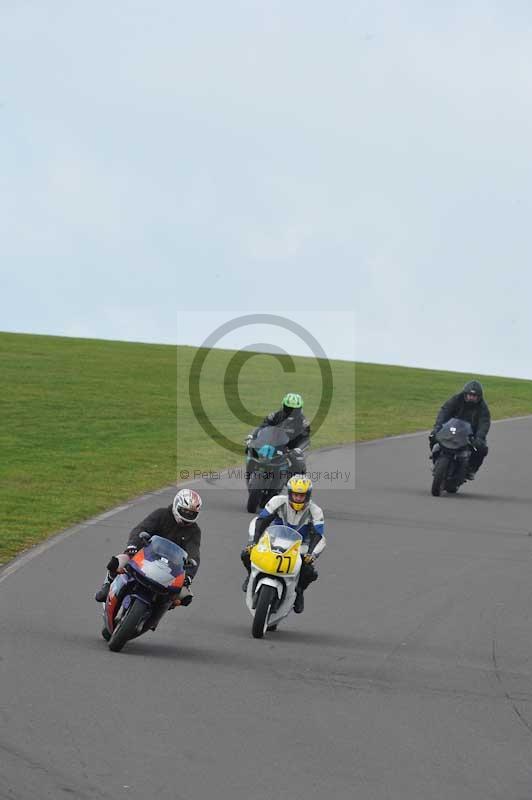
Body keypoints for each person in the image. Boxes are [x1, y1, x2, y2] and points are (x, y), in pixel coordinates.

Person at [94, 488, 202, 605]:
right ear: (176, 505)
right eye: (185, 511)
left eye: (192, 514)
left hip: (171, 570)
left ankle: (155, 617)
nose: (188, 515)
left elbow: (194, 553)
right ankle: (107, 586)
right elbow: (141, 529)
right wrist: (133, 546)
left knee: (185, 596)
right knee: (119, 561)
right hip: (145, 556)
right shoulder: (161, 514)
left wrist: (189, 576)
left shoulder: (194, 531)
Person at [240, 475, 326, 614]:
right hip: (274, 539)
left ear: (308, 496)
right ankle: (251, 575)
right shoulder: (277, 501)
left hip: (300, 546)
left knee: (309, 571)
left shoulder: (315, 511)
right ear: (290, 493)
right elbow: (261, 521)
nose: (298, 498)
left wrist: (311, 554)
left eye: (301, 496)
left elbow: (318, 535)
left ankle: (299, 592)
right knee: (246, 554)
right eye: (295, 495)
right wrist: (253, 542)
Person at [429, 380, 491, 479]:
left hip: (471, 434)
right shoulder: (456, 399)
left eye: (474, 396)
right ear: (465, 394)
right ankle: (435, 459)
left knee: (481, 448)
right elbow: (445, 411)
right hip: (452, 429)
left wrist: (479, 437)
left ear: (479, 397)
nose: (471, 397)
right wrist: (438, 426)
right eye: (469, 395)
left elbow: (484, 423)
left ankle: (471, 469)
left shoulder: (482, 408)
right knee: (433, 436)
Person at [245, 392, 310, 474]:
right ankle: (251, 474)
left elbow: (306, 439)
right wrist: (252, 436)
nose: (291, 412)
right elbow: (262, 426)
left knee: (298, 461)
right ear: (283, 406)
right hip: (274, 444)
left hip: (291, 448)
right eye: (288, 409)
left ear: (300, 409)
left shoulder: (303, 422)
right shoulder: (275, 416)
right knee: (251, 449)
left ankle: (297, 481)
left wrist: (298, 449)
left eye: (294, 410)